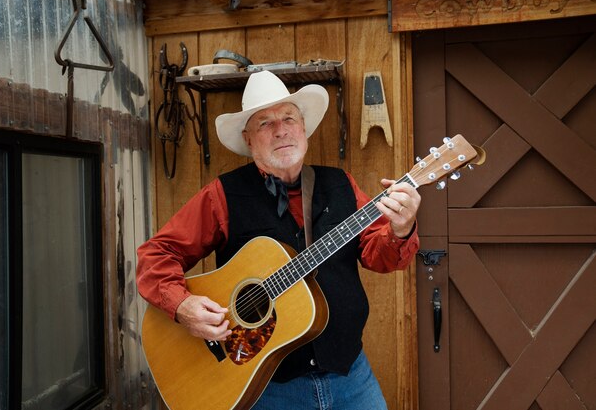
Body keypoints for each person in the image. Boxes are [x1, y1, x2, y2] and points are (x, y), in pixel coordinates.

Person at [136, 70, 420, 410]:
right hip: (267, 387)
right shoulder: (223, 196)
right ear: (249, 139)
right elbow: (156, 254)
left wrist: (400, 229)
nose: (281, 130)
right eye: (265, 123)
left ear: (304, 129)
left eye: (289, 118)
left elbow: (379, 256)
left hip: (350, 377)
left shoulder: (342, 185)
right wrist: (182, 306)